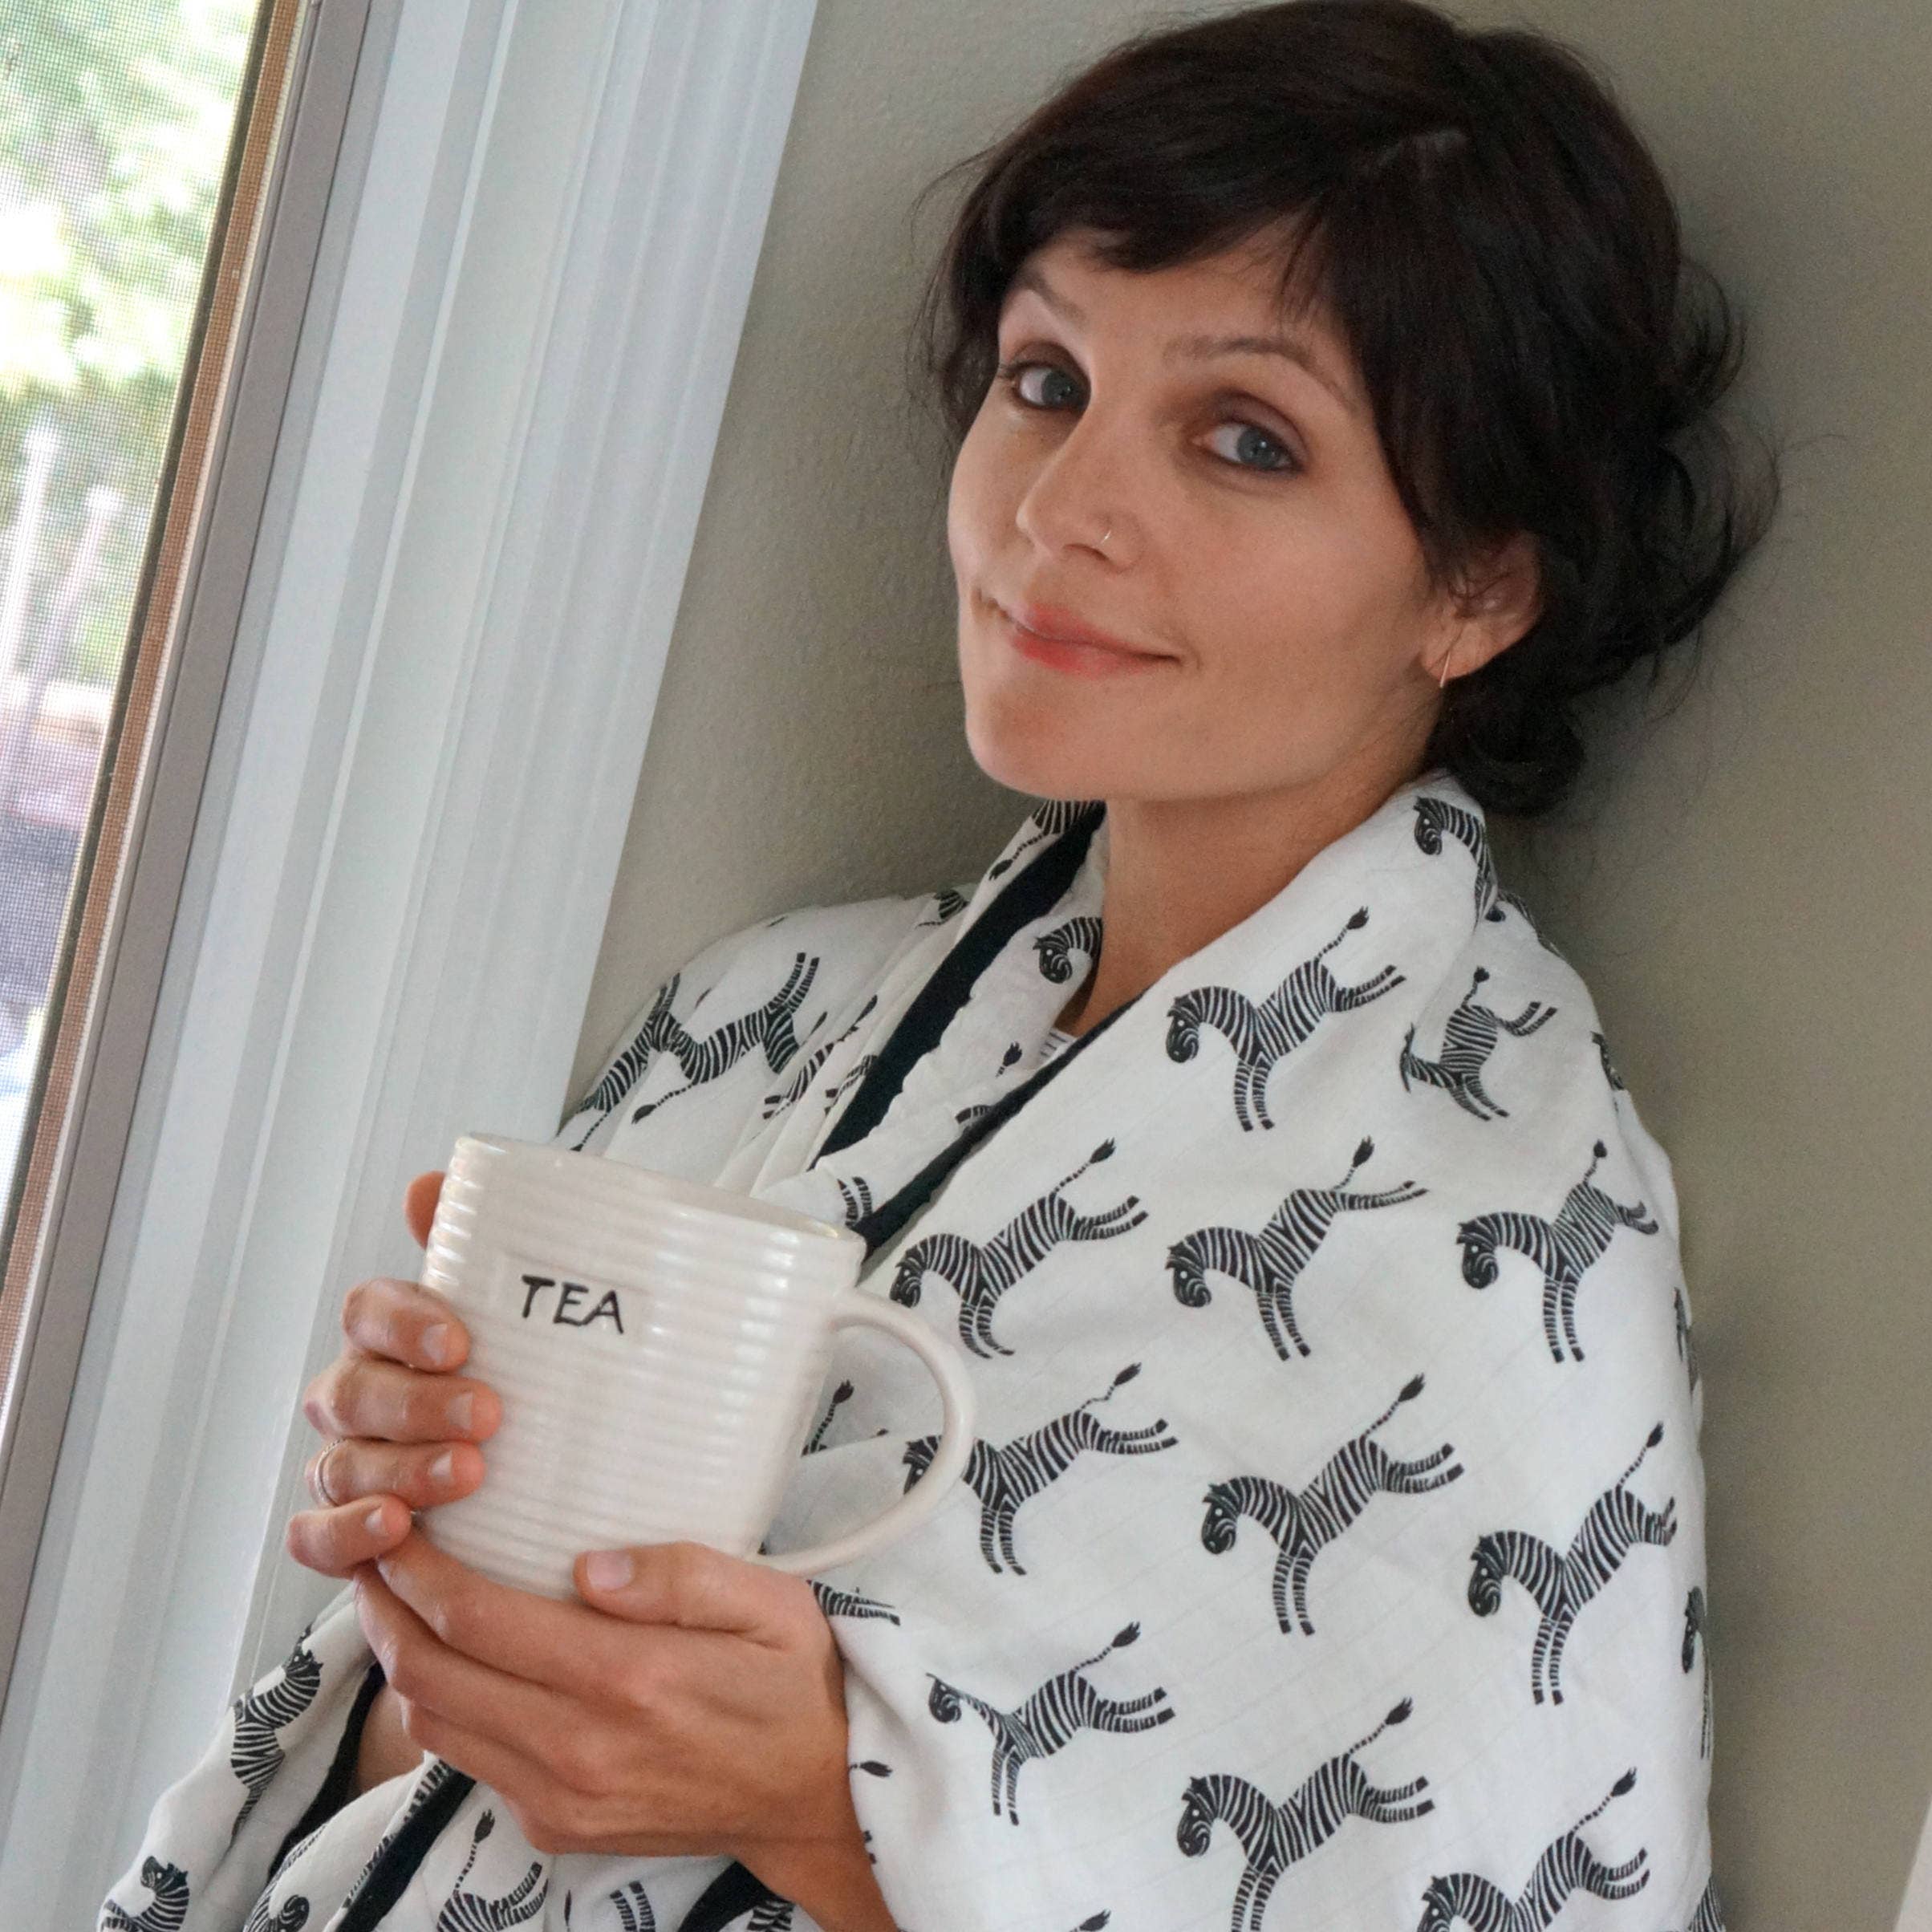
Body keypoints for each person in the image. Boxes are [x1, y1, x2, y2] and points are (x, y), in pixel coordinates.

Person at [100, 2, 1778, 1928]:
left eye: (1245, 439)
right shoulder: (759, 1016)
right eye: (1046, 380)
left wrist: (826, 1809)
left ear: (1478, 586)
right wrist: (436, 1553)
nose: (1056, 514)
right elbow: (425, 1786)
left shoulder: (1501, 1243)